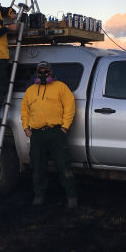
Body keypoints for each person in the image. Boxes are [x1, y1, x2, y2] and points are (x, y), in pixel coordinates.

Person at [20, 61, 78, 209]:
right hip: (37, 135)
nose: (43, 75)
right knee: (37, 168)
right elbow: (24, 110)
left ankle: (71, 197)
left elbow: (70, 106)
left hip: (56, 133)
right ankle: (39, 196)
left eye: (46, 72)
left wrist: (64, 128)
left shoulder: (60, 87)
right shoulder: (30, 91)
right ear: (37, 74)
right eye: (40, 72)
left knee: (64, 165)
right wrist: (26, 128)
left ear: (51, 73)